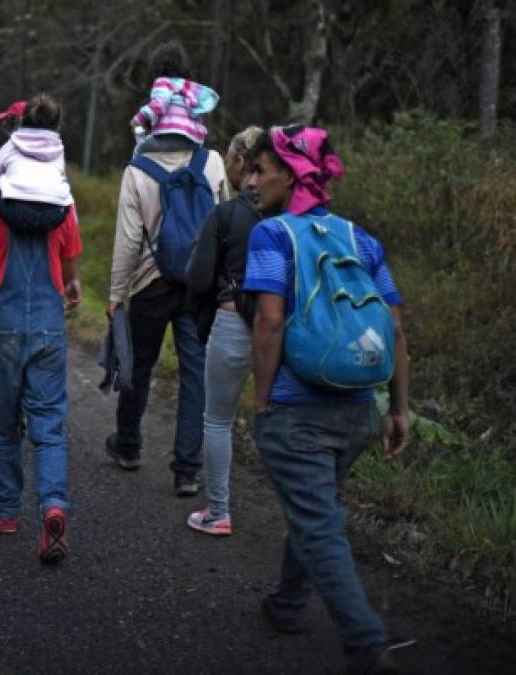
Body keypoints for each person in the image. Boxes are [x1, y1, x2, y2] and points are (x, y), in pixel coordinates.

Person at [243, 125, 411, 673]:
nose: (249, 181)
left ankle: (366, 644)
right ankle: (288, 604)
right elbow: (394, 328)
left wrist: (262, 400)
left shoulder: (272, 237)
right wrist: (399, 408)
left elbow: (269, 323)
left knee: (318, 523)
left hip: (297, 414)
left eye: (259, 170)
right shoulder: (360, 239)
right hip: (359, 408)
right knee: (314, 509)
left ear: (291, 175)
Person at [105, 41, 229, 496]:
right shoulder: (212, 162)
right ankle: (187, 469)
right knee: (195, 372)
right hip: (200, 284)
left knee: (138, 366)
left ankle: (129, 444)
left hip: (149, 282)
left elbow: (127, 240)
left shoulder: (138, 168)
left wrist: (116, 294)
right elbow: (225, 224)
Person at [0, 121, 83, 562]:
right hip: (48, 325)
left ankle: (7, 512)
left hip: (1, 325)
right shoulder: (62, 211)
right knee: (48, 427)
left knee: (1, 424)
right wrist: (72, 288)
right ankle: (53, 505)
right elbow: (70, 277)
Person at [183, 125, 265, 536]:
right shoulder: (289, 216)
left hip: (232, 324)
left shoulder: (227, 215)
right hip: (278, 330)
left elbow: (196, 278)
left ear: (239, 163)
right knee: (276, 420)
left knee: (218, 419)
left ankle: (218, 512)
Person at [0, 93, 72, 232]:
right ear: (57, 124)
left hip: (19, 213)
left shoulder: (12, 143)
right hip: (54, 216)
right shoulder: (58, 147)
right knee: (67, 192)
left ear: (24, 120)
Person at [130, 40, 219, 156]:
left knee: (138, 149)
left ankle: (138, 164)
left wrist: (138, 120)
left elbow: (159, 105)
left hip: (167, 139)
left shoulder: (162, 83)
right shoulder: (189, 89)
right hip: (192, 140)